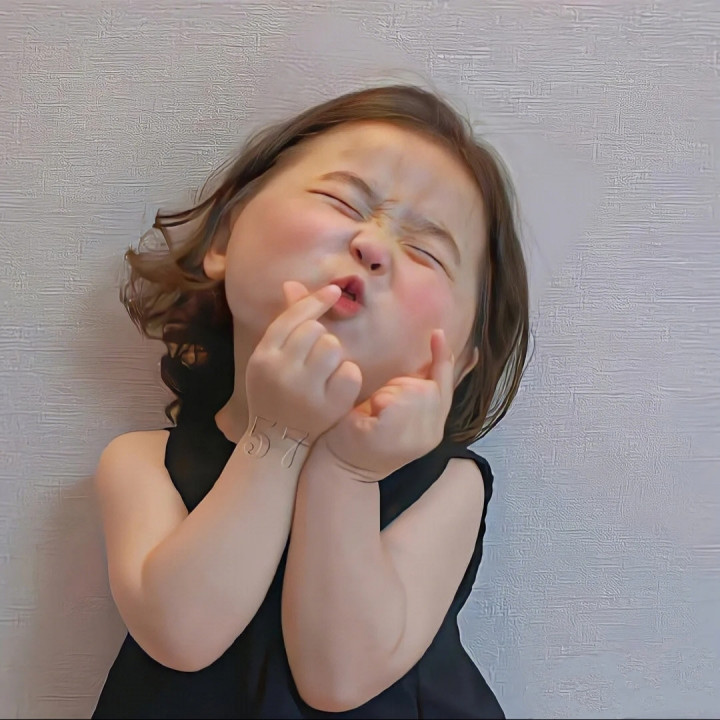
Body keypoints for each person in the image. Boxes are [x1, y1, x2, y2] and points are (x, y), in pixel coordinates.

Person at [91, 83, 530, 719]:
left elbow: (339, 679)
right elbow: (182, 635)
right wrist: (277, 436)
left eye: (425, 250)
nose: (373, 247)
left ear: (461, 359)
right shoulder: (139, 463)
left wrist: (348, 471)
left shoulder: (447, 487)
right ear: (225, 240)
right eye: (342, 202)